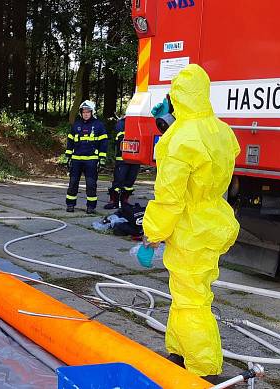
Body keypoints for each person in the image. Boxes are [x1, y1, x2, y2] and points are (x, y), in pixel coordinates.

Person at [142, 64, 240, 383]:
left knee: (191, 298)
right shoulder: (222, 130)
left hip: (189, 228)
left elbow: (169, 196)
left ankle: (203, 368)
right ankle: (179, 350)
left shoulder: (178, 139)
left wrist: (152, 232)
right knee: (188, 291)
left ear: (177, 97)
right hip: (214, 220)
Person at [64, 100, 108, 214]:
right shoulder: (76, 125)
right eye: (84, 112)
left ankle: (91, 207)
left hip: (91, 160)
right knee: (73, 183)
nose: (86, 114)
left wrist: (102, 158)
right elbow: (70, 141)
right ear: (81, 112)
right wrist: (67, 156)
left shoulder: (99, 125)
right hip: (76, 159)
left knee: (91, 184)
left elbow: (103, 142)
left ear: (92, 112)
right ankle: (70, 205)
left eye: (88, 111)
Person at [104, 115, 141, 209]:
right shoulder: (122, 123)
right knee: (118, 180)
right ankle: (114, 201)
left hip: (136, 157)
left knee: (130, 181)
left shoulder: (141, 122)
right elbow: (120, 137)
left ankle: (125, 201)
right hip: (123, 157)